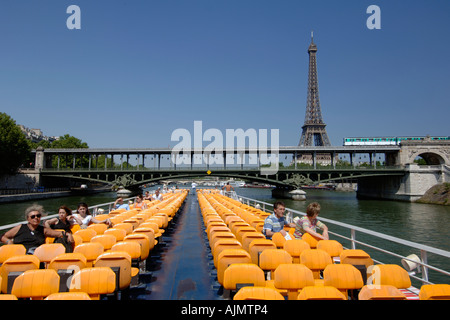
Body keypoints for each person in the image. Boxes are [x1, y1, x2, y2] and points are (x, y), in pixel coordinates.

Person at [1, 204, 74, 254]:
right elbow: (2, 236)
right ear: (28, 219)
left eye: (38, 216)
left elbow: (59, 233)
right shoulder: (20, 227)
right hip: (19, 255)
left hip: (36, 257)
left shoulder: (43, 230)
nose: (36, 218)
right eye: (33, 216)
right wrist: (8, 242)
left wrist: (68, 234)